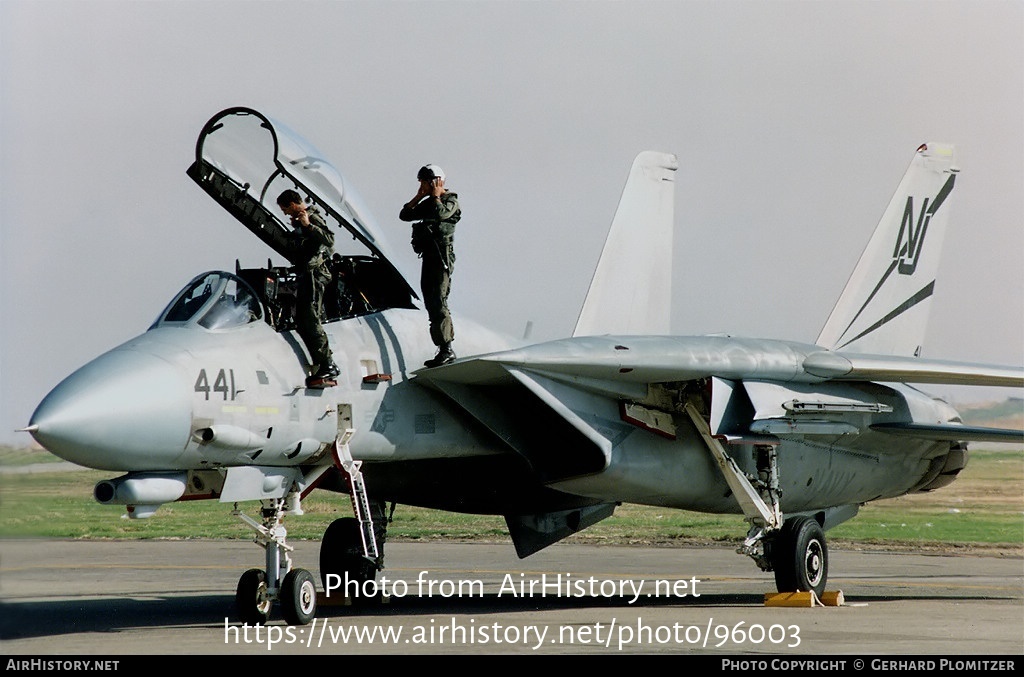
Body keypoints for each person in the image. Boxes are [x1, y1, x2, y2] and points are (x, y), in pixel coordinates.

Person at [276, 189, 340, 387]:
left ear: (293, 203)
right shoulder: (301, 220)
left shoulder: (312, 217)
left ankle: (328, 364)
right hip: (307, 276)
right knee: (302, 319)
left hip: (316, 277)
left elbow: (330, 241)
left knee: (312, 319)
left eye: (286, 209)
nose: (286, 213)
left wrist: (308, 226)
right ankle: (320, 362)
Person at [400, 164, 461, 367]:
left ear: (437, 181)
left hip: (441, 259)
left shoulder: (450, 201)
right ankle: (442, 348)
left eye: (425, 182)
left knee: (438, 301)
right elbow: (405, 215)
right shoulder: (428, 202)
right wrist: (418, 197)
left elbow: (441, 214)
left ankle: (447, 349)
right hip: (429, 257)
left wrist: (435, 196)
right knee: (430, 301)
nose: (423, 185)